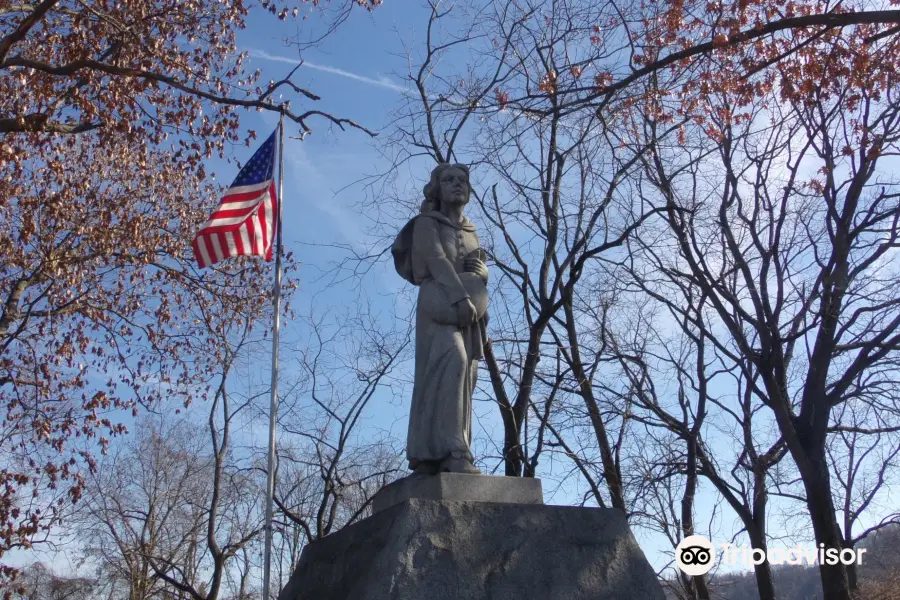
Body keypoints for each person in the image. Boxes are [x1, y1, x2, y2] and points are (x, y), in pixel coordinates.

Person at [391, 163, 489, 475]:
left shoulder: (471, 232)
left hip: (469, 316)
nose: (457, 185)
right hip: (440, 307)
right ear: (437, 189)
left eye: (462, 180)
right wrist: (460, 298)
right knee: (452, 362)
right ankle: (449, 450)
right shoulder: (426, 224)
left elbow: (478, 267)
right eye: (449, 180)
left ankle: (452, 451)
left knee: (465, 379)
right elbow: (436, 261)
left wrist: (482, 273)